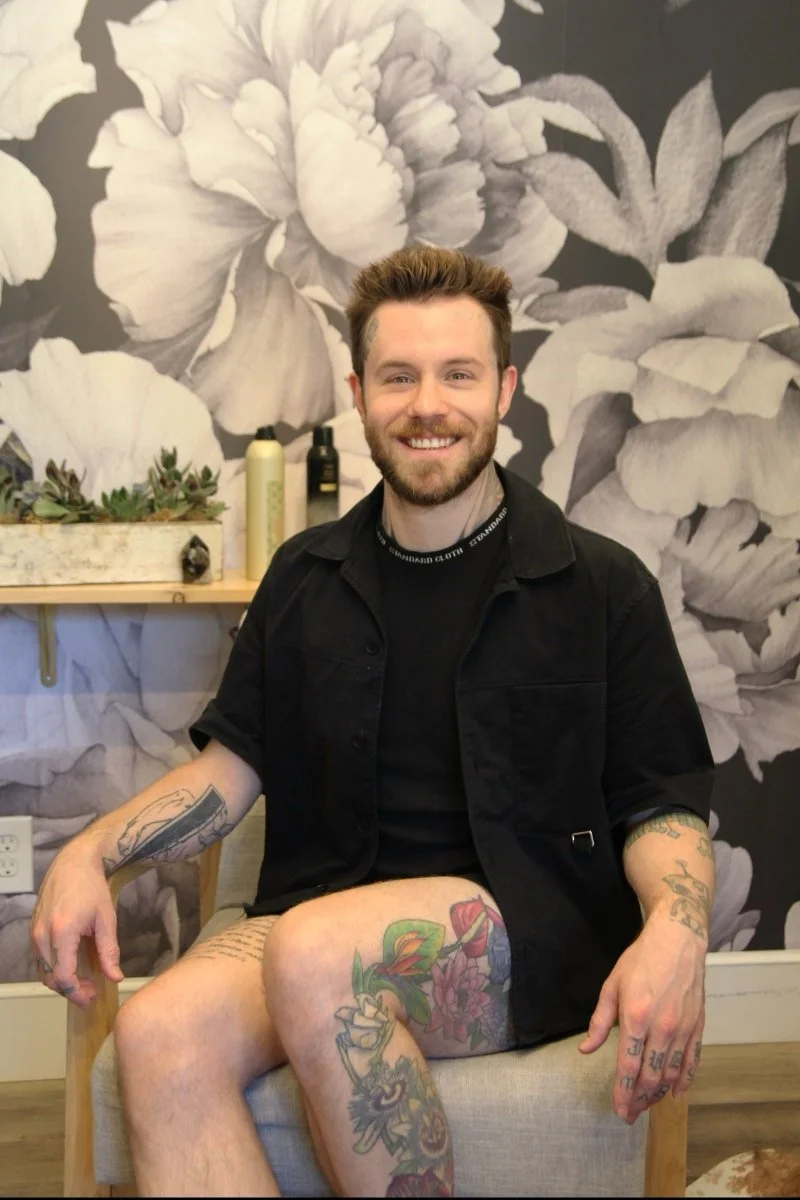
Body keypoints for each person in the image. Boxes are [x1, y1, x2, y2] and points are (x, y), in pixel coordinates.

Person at [31, 246, 716, 1198]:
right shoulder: (303, 578)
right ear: (359, 394)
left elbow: (661, 803)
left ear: (504, 388)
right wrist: (89, 851)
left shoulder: (602, 585)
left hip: (520, 930)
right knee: (155, 1033)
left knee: (319, 954)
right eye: (399, 377)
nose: (428, 405)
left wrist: (677, 927)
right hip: (315, 918)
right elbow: (228, 774)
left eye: (458, 375)